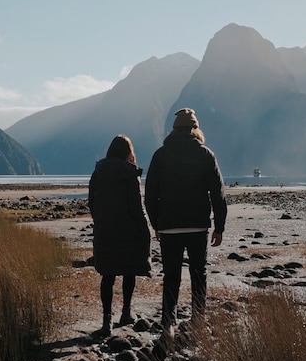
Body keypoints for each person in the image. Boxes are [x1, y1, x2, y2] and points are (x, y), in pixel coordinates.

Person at [144, 108, 227, 348]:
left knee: (171, 277)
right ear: (194, 129)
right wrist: (219, 226)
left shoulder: (160, 155)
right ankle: (198, 321)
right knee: (198, 273)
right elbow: (218, 194)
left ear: (174, 129)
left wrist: (156, 224)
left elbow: (150, 195)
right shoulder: (206, 154)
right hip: (198, 225)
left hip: (169, 226)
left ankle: (168, 325)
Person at [88, 135, 152, 336]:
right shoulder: (130, 174)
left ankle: (106, 322)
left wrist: (100, 221)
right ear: (128, 152)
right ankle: (126, 313)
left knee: (107, 275)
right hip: (128, 229)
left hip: (105, 229)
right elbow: (136, 206)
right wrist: (145, 229)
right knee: (129, 270)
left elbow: (92, 202)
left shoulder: (98, 173)